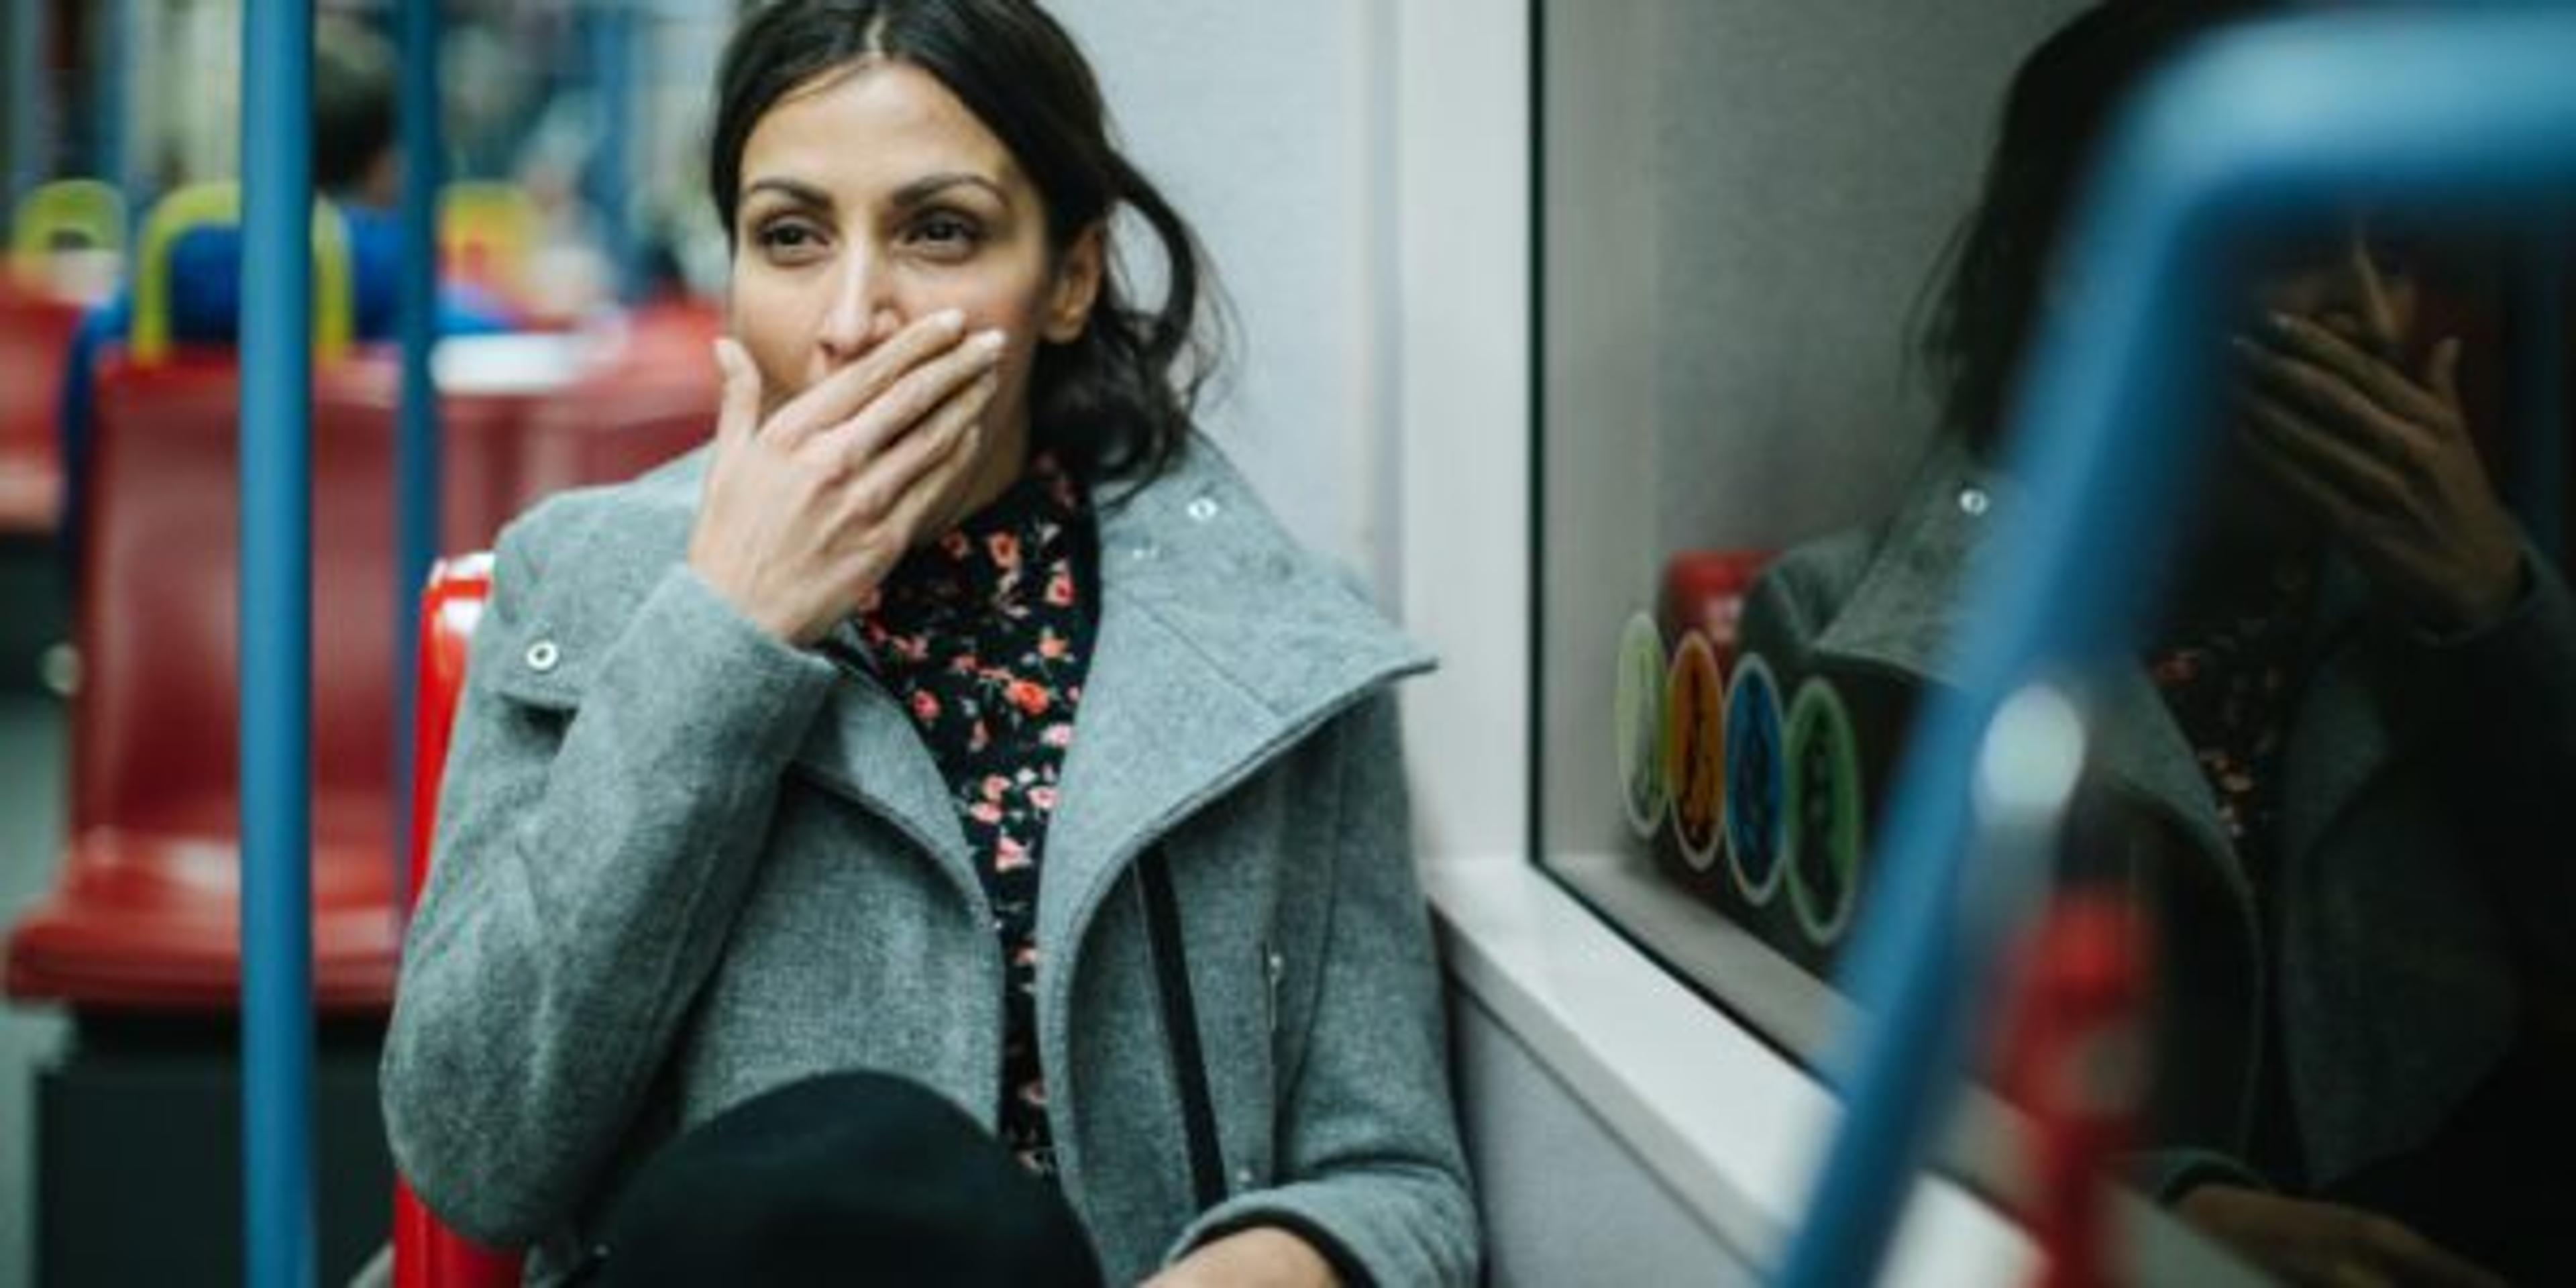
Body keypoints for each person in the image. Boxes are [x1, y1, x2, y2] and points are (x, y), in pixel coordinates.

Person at [380, 3, 1479, 1286]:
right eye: (789, 237)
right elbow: (471, 1151)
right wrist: (725, 633)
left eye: (940, 231)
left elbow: (1397, 1186)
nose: (853, 321)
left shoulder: (1269, 643)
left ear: (1069, 278)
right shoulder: (582, 585)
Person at [1740, 3, 2576, 1284]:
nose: (2368, 310)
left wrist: (2496, 612)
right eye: (2299, 242)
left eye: (2398, 250)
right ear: (2099, 264)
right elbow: (1815, 1085)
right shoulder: (1849, 630)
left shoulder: (2442, 607)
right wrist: (2157, 1207)